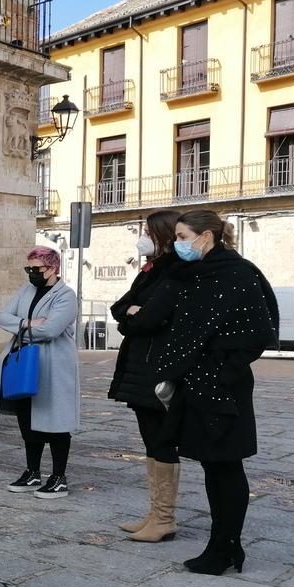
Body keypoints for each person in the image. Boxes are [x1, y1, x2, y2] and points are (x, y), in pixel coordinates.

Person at [142, 210, 278, 575]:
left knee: (226, 464)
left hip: (223, 385)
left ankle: (226, 546)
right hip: (195, 383)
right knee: (211, 464)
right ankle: (221, 544)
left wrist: (223, 370)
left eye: (183, 236)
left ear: (207, 236)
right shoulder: (193, 274)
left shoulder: (238, 273)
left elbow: (260, 330)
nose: (178, 244)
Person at [107, 210, 182, 542]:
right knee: (150, 440)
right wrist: (132, 315)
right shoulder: (149, 272)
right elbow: (120, 308)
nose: (143, 237)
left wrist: (135, 316)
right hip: (138, 365)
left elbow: (150, 319)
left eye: (148, 232)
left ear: (163, 236)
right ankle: (155, 513)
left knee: (162, 440)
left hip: (158, 367)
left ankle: (164, 518)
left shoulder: (177, 272)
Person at [0, 246, 80, 499]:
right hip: (25, 361)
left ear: (53, 268)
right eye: (28, 268)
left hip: (54, 365)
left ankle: (59, 477)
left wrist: (21, 326)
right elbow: (1, 317)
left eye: (36, 269)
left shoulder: (66, 296)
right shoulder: (26, 290)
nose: (31, 274)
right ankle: (32, 472)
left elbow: (51, 330)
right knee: (27, 418)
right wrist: (28, 324)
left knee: (56, 420)